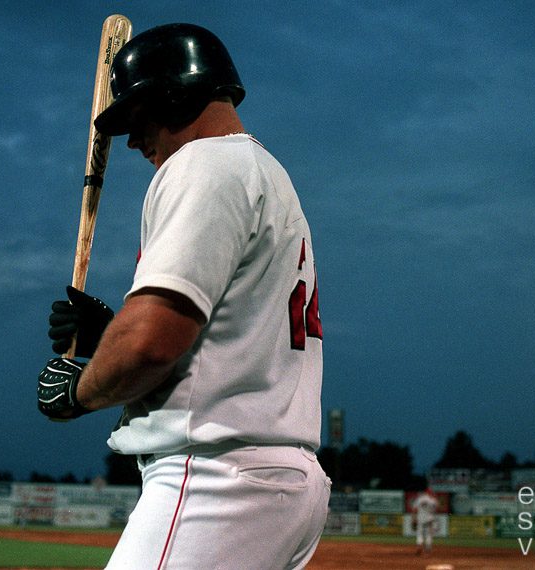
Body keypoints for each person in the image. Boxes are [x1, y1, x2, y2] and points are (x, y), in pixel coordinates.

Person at [37, 23, 330, 569]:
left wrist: (81, 388)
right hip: (276, 481)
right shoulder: (266, 173)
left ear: (173, 93)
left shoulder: (202, 163)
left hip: (216, 482)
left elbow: (151, 344)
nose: (130, 140)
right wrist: (110, 338)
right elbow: (228, 332)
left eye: (137, 116)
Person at [411, 487, 439, 555]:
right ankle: (428, 549)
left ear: (426, 492)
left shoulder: (420, 498)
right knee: (429, 534)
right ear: (430, 493)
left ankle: (419, 545)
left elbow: (414, 509)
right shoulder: (433, 500)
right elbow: (436, 509)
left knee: (419, 534)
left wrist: (414, 519)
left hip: (420, 518)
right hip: (430, 519)